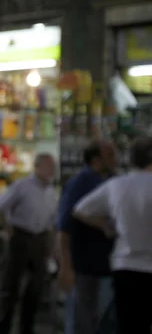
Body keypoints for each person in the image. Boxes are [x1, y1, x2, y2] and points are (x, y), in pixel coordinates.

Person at [74, 136, 152, 334]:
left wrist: (105, 226)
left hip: (124, 265)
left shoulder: (117, 185)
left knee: (129, 324)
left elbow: (80, 209)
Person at [57, 140, 117, 334]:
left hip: (103, 264)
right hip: (83, 264)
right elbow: (65, 225)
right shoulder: (81, 182)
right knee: (81, 320)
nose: (115, 159)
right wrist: (66, 266)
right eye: (110, 155)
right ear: (96, 159)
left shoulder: (110, 181)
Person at [0, 153, 58, 334]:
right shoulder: (22, 186)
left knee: (36, 287)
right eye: (48, 166)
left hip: (40, 239)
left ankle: (26, 327)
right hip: (21, 236)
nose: (51, 171)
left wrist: (51, 248)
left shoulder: (51, 191)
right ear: (37, 168)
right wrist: (8, 229)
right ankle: (3, 327)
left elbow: (52, 222)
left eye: (53, 167)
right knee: (11, 286)